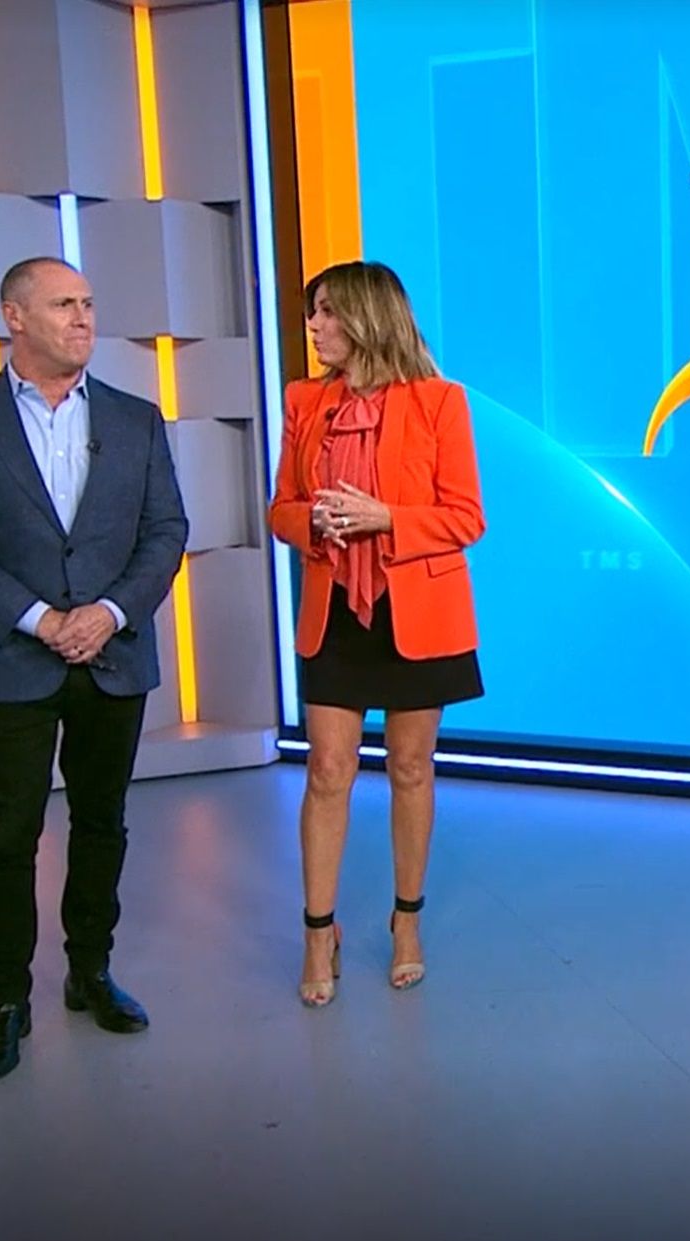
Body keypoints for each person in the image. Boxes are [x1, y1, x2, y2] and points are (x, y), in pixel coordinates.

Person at [0, 256, 189, 1083]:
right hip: (9, 658)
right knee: (7, 835)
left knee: (102, 822)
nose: (83, 318)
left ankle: (89, 970)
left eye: (88, 303)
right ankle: (6, 1000)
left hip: (114, 654)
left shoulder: (137, 419)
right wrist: (41, 618)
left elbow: (166, 530)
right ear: (14, 316)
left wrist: (108, 612)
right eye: (64, 303)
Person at [267, 260, 485, 1008]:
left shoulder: (439, 401)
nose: (314, 326)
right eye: (313, 312)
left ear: (368, 317)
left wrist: (384, 517)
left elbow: (466, 517)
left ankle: (406, 921)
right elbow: (281, 507)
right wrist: (313, 521)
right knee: (328, 769)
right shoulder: (304, 401)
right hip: (335, 607)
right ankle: (317, 932)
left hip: (416, 610)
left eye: (328, 312)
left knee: (410, 768)